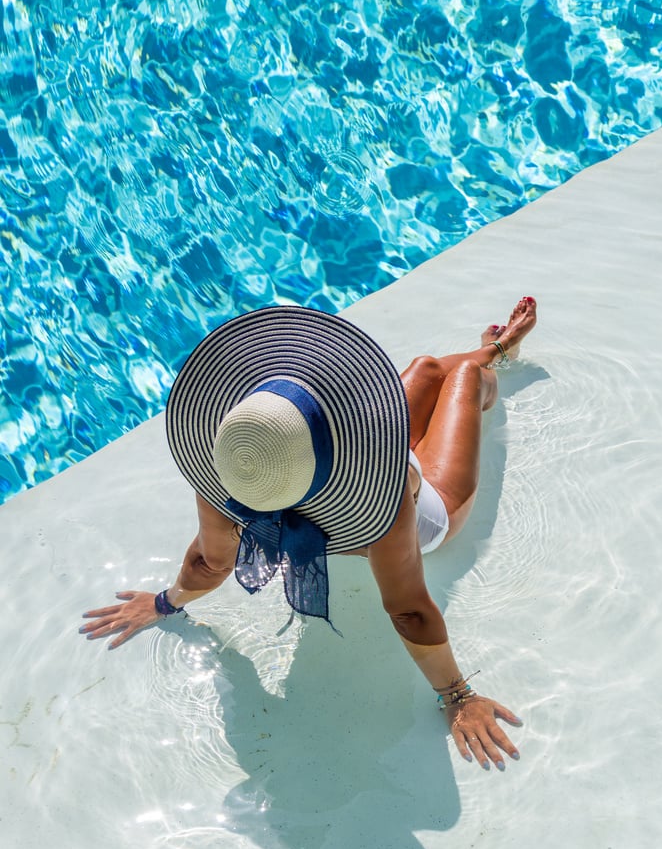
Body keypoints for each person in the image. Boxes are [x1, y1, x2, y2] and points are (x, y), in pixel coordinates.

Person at [80, 297, 537, 771]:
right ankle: (494, 357)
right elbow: (408, 609)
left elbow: (209, 561)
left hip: (336, 470)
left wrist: (165, 602)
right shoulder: (380, 497)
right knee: (464, 379)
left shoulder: (235, 468)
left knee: (423, 368)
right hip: (425, 508)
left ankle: (490, 350)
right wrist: (458, 697)